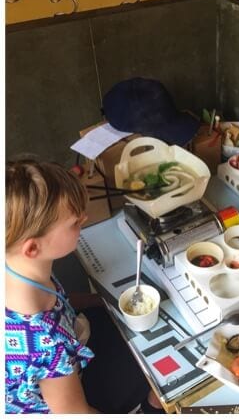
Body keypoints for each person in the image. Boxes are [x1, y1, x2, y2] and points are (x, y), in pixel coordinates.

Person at [5, 160, 163, 414]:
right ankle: (148, 406)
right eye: (75, 223)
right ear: (33, 247)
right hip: (61, 400)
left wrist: (101, 300)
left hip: (71, 346)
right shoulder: (46, 342)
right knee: (153, 372)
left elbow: (61, 301)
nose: (85, 219)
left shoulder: (20, 266)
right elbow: (76, 414)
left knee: (127, 332)